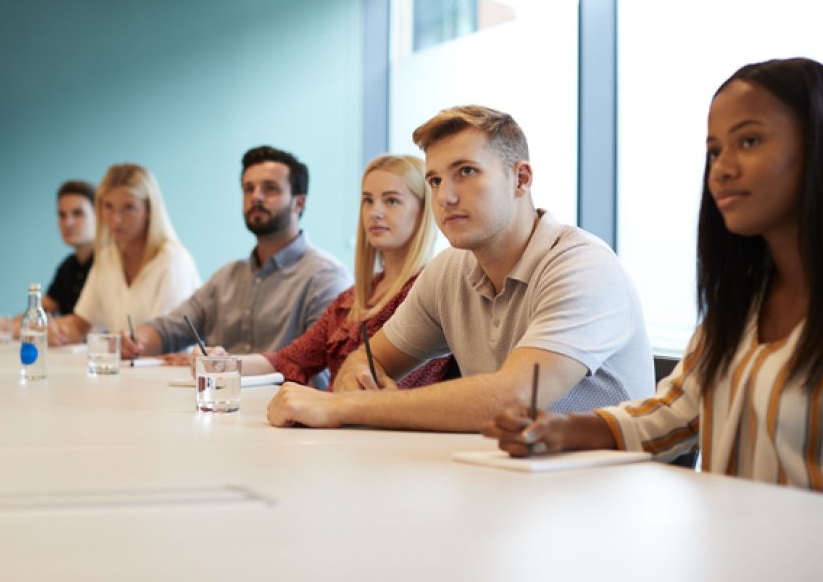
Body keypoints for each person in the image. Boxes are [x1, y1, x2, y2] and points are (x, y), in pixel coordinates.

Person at [482, 58, 823, 493]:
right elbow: (677, 410)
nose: (722, 168)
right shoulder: (745, 301)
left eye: (749, 140)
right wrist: (561, 430)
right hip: (738, 551)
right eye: (714, 151)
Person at [266, 105, 654, 429]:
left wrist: (342, 406)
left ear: (521, 179)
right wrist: (356, 378)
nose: (445, 197)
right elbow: (368, 360)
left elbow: (513, 398)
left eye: (466, 172)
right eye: (434, 180)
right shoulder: (449, 270)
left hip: (603, 495)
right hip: (506, 483)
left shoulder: (582, 266)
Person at [214, 154, 453, 389]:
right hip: (337, 423)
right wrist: (221, 362)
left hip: (373, 425)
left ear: (424, 212)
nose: (374, 212)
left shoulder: (426, 291)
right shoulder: (352, 298)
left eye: (391, 201)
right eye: (368, 201)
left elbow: (391, 392)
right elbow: (290, 359)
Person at [123, 146, 352, 371]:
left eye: (270, 189)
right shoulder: (227, 276)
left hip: (284, 404)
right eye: (248, 188)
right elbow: (170, 328)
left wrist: (226, 364)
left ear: (299, 202)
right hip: (215, 403)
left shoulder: (326, 277)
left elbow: (319, 360)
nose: (256, 197)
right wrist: (137, 341)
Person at [51, 163, 200, 344]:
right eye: (108, 207)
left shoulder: (172, 261)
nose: (116, 219)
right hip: (124, 369)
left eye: (128, 207)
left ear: (149, 210)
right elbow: (81, 326)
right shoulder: (107, 258)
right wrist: (58, 332)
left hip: (166, 371)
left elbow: (171, 340)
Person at [0, 179, 96, 338]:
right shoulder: (68, 266)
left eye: (77, 213)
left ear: (99, 216)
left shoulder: (109, 265)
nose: (68, 222)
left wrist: (7, 328)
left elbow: (84, 324)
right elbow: (40, 310)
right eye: (62, 215)